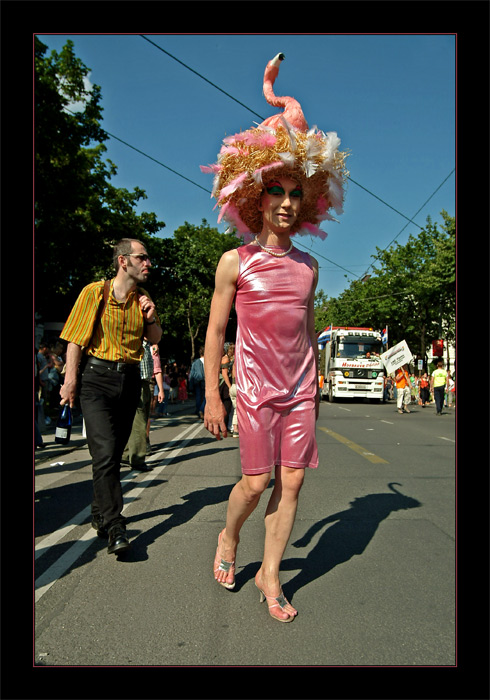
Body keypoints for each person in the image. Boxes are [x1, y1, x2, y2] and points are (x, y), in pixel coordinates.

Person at [201, 52, 348, 622]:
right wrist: (215, 393)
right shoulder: (233, 263)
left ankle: (270, 574)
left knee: (290, 487)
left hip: (299, 392)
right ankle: (228, 536)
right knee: (255, 483)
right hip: (255, 390)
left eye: (295, 194)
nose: (286, 203)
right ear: (256, 199)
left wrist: (316, 385)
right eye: (276, 193)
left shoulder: (310, 268)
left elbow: (308, 332)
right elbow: (217, 331)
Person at [59, 238, 162, 556]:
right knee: (103, 454)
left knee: (112, 456)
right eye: (142, 258)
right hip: (97, 381)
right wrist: (70, 381)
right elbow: (75, 341)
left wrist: (152, 316)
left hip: (129, 381)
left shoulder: (142, 298)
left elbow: (155, 339)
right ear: (123, 261)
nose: (148, 263)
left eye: (148, 259)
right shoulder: (94, 292)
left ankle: (98, 512)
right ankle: (116, 525)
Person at [122, 338, 154, 471]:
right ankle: (137, 458)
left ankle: (126, 454)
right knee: (139, 421)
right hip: (137, 382)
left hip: (145, 382)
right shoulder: (136, 343)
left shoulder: (147, 344)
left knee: (138, 419)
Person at [189, 347, 206, 418]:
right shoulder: (208, 361)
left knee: (198, 397)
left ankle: (198, 410)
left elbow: (192, 374)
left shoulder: (195, 362)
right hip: (205, 381)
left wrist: (190, 384)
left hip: (197, 382)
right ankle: (202, 409)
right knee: (206, 397)